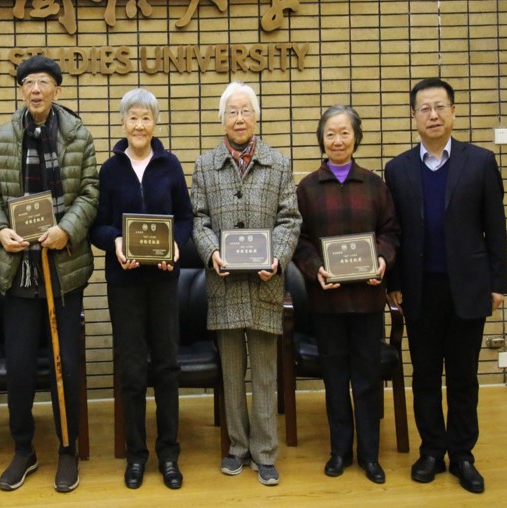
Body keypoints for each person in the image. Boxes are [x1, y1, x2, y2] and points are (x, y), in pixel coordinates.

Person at [385, 78, 507, 494]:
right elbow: (394, 233)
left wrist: (497, 282)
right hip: (420, 289)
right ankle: (432, 451)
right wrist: (394, 282)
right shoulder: (398, 169)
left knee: (463, 375)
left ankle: (463, 454)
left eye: (440, 107)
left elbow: (495, 227)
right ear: (413, 117)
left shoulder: (481, 162)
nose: (433, 115)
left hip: (469, 287)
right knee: (424, 374)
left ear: (453, 112)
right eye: (424, 108)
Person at [0, 55, 98, 493]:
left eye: (43, 82)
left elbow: (89, 193)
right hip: (18, 271)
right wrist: (1, 230)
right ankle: (23, 449)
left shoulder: (78, 136)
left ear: (57, 90)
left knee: (64, 364)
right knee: (17, 367)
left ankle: (68, 449)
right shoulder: (2, 138)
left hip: (63, 269)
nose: (35, 89)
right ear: (21, 90)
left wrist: (66, 229)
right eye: (28, 82)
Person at [191, 82, 301, 487]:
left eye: (245, 111)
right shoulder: (205, 165)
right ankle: (237, 447)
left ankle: (265, 452)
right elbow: (198, 220)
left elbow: (290, 219)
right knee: (232, 371)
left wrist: (278, 258)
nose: (239, 118)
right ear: (222, 119)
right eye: (232, 112)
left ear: (256, 117)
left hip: (264, 283)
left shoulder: (279, 164)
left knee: (266, 372)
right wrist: (211, 253)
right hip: (224, 284)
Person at [292, 105, 400, 484]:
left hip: (368, 300)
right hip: (328, 301)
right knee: (335, 378)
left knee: (367, 378)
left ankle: (370, 454)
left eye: (344, 133)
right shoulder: (307, 188)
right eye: (330, 134)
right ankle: (340, 450)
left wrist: (382, 260)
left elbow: (390, 232)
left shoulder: (374, 185)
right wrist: (315, 269)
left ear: (356, 137)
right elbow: (299, 240)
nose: (337, 140)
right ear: (321, 140)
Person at [90, 88, 192, 490]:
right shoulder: (110, 170)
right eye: (133, 118)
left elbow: (185, 218)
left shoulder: (170, 166)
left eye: (146, 118)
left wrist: (176, 246)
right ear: (122, 123)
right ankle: (136, 455)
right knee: (132, 370)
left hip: (164, 280)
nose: (139, 125)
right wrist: (116, 240)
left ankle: (169, 454)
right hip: (125, 283)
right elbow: (97, 226)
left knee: (166, 367)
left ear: (156, 123)